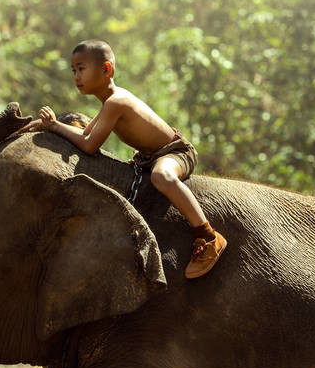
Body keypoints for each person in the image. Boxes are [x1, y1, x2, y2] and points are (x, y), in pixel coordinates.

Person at [21, 39, 226, 278]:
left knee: (162, 176)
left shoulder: (116, 102)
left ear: (106, 69)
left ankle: (208, 235)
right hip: (148, 158)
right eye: (74, 70)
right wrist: (45, 126)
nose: (76, 76)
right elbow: (86, 133)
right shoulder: (109, 102)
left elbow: (88, 145)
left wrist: (55, 126)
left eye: (82, 68)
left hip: (175, 152)